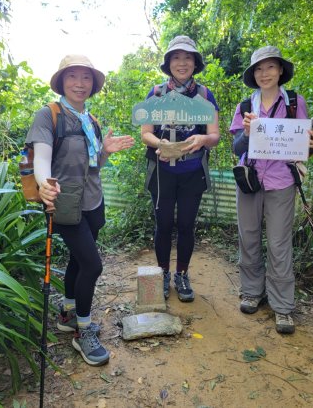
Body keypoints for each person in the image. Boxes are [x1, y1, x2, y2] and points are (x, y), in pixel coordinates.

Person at [25, 54, 134, 366]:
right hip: (66, 204)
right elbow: (42, 157)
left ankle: (68, 314)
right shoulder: (49, 116)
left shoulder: (91, 122)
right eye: (73, 76)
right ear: (62, 81)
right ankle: (83, 332)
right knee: (93, 265)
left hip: (93, 202)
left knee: (78, 260)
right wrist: (43, 182)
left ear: (93, 83)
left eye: (86, 77)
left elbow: (92, 165)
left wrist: (105, 153)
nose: (80, 83)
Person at [229, 45, 313, 334]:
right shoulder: (246, 107)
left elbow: (304, 145)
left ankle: (282, 306)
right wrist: (246, 134)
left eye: (270, 67)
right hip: (250, 180)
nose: (264, 73)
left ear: (281, 70)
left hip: (282, 181)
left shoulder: (294, 103)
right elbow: (236, 149)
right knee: (249, 237)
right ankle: (251, 292)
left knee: (280, 244)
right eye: (258, 68)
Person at [141, 35, 220, 302]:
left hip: (192, 171)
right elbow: (146, 134)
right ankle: (162, 273)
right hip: (162, 171)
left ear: (195, 63)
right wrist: (160, 142)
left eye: (187, 58)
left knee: (186, 225)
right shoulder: (156, 93)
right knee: (163, 224)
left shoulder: (204, 95)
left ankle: (182, 274)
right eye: (176, 57)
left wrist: (203, 140)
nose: (182, 63)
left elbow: (214, 135)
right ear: (169, 63)